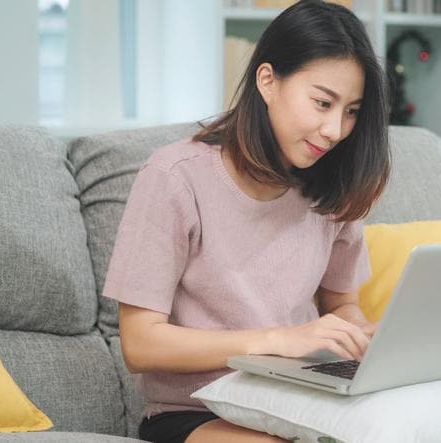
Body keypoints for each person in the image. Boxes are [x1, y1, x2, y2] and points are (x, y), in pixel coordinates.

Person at [102, 1, 390, 441]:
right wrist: (276, 340)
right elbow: (140, 344)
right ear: (268, 81)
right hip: (197, 410)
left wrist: (364, 335)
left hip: (304, 398)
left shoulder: (334, 185)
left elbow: (342, 306)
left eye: (351, 111)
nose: (335, 129)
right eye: (322, 102)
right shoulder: (176, 178)